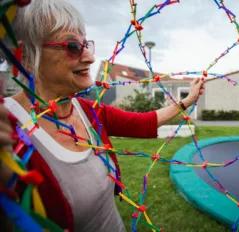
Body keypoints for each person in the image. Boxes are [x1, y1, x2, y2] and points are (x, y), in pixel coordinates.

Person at [0, 0, 204, 231]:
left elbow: (144, 122)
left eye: (86, 44)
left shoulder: (89, 112)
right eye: (72, 46)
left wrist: (187, 101)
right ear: (25, 55)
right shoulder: (8, 126)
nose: (89, 57)